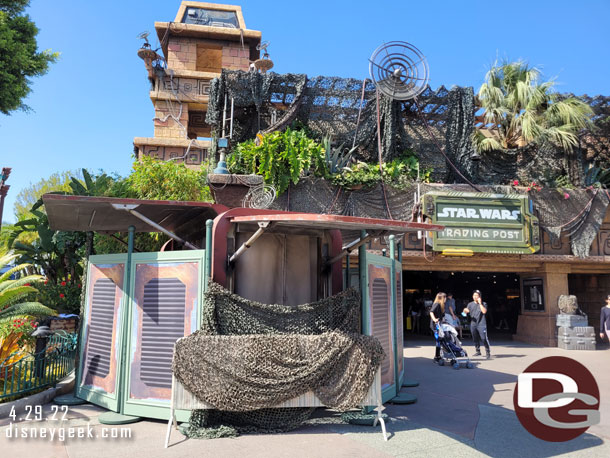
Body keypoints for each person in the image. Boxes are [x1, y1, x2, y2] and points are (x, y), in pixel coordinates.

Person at [463, 290, 491, 359]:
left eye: (476, 296)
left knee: (484, 338)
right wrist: (464, 311)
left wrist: (480, 303)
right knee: (475, 338)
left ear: (479, 297)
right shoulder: (470, 304)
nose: (475, 297)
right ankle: (478, 351)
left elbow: (484, 311)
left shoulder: (484, 303)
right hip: (473, 323)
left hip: (481, 323)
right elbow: (463, 314)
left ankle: (488, 352)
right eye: (474, 295)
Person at [429, 292, 447, 362]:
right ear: (441, 298)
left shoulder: (441, 305)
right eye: (444, 297)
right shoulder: (437, 304)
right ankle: (437, 356)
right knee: (438, 340)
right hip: (435, 325)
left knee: (440, 340)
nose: (445, 299)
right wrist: (434, 319)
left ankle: (438, 355)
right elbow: (431, 312)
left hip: (439, 324)